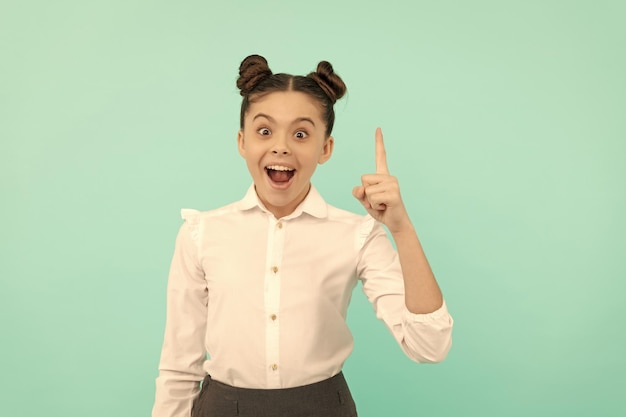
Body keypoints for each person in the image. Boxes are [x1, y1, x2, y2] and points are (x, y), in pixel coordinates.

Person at [152, 54, 453, 417]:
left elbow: (429, 346)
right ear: (242, 141)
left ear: (324, 148)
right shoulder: (201, 234)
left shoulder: (357, 235)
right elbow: (179, 366)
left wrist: (401, 228)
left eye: (300, 134)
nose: (281, 146)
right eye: (265, 131)